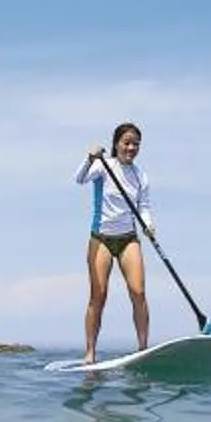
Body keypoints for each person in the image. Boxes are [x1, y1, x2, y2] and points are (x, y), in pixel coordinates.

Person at [75, 122, 151, 364]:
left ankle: (143, 348)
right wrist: (89, 158)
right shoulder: (103, 166)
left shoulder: (140, 175)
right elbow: (79, 179)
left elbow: (144, 207)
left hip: (129, 239)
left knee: (138, 292)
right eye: (126, 142)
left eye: (135, 144)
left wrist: (148, 225)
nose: (131, 148)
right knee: (99, 296)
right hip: (102, 239)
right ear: (116, 144)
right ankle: (90, 354)